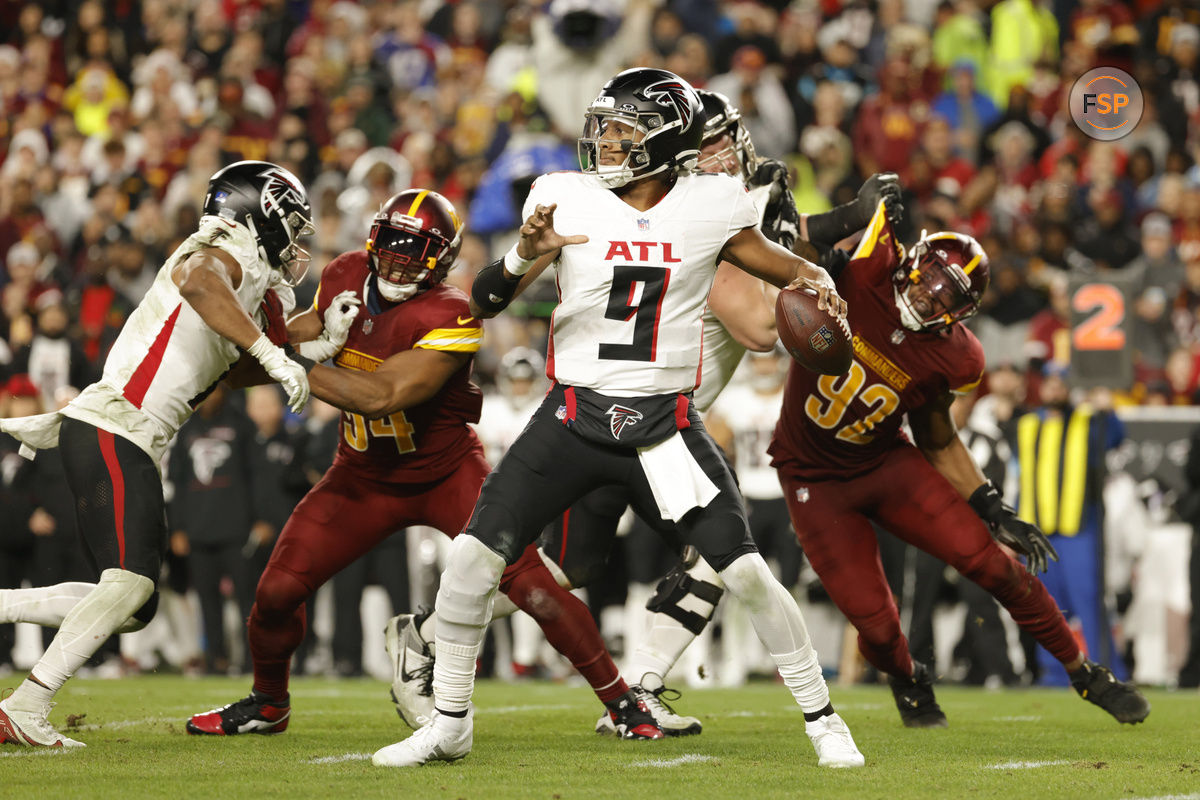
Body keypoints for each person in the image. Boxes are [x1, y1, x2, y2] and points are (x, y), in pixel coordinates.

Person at [372, 68, 864, 769]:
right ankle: (449, 722)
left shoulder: (711, 205)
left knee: (746, 570)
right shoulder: (563, 197)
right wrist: (524, 252)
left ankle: (824, 721)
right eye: (605, 125)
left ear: (663, 141)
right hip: (573, 417)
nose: (605, 140)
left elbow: (780, 269)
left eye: (624, 128)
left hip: (664, 428)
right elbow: (484, 300)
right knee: (471, 559)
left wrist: (818, 284)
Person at [186, 189, 659, 740]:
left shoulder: (452, 311)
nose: (397, 259)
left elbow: (383, 395)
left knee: (533, 588)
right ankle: (269, 703)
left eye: (416, 249)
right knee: (276, 592)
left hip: (444, 474)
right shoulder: (344, 273)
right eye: (391, 242)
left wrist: (289, 362)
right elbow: (291, 341)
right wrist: (272, 347)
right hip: (359, 475)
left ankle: (622, 703)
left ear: (442, 259)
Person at [0, 160, 321, 748]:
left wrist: (302, 344)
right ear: (262, 210)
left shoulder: (243, 276)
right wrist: (277, 356)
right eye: (292, 223)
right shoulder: (224, 246)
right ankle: (25, 705)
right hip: (116, 428)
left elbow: (229, 366)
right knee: (131, 586)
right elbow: (198, 282)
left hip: (116, 434)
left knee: (132, 602)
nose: (296, 241)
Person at [1014, 364, 1129, 686]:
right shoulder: (1025, 425)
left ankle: (1107, 670)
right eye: (1049, 384)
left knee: (1089, 599)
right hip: (1039, 531)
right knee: (1047, 606)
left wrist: (1110, 410)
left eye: (1060, 384)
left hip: (1080, 528)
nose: (1054, 390)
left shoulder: (1087, 421)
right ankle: (1053, 673)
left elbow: (1116, 438)